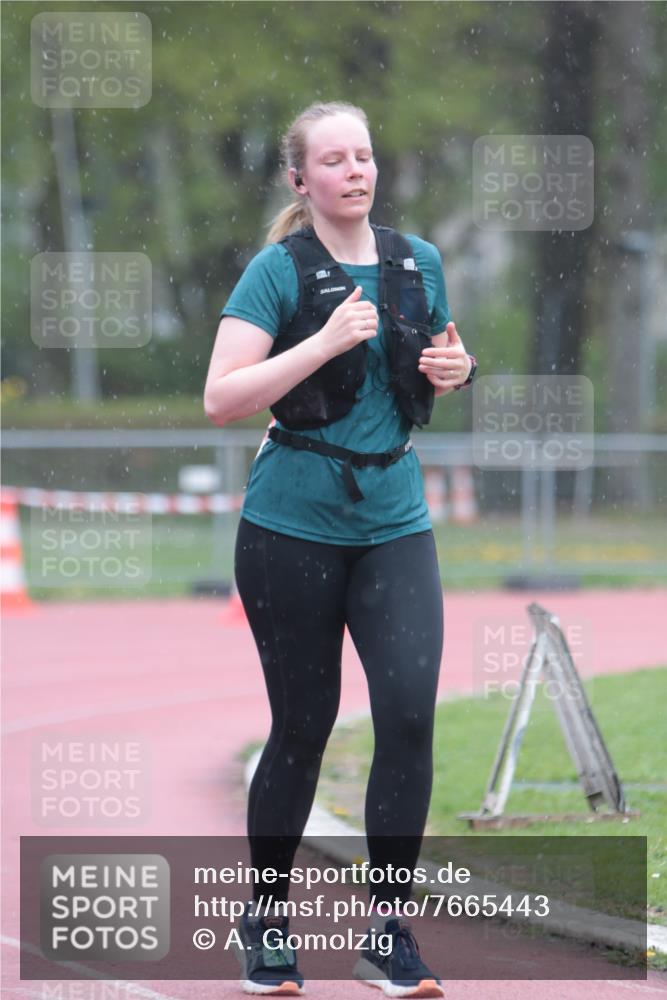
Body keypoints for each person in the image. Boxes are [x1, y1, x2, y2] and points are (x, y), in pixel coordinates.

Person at [204, 101, 476, 998]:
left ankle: (387, 935)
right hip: (291, 527)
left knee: (407, 719)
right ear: (300, 180)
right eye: (333, 160)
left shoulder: (416, 261)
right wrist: (319, 342)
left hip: (395, 519)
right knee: (303, 726)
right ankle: (267, 922)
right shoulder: (277, 272)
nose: (354, 171)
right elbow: (222, 397)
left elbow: (437, 355)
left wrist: (454, 369)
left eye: (363, 156)